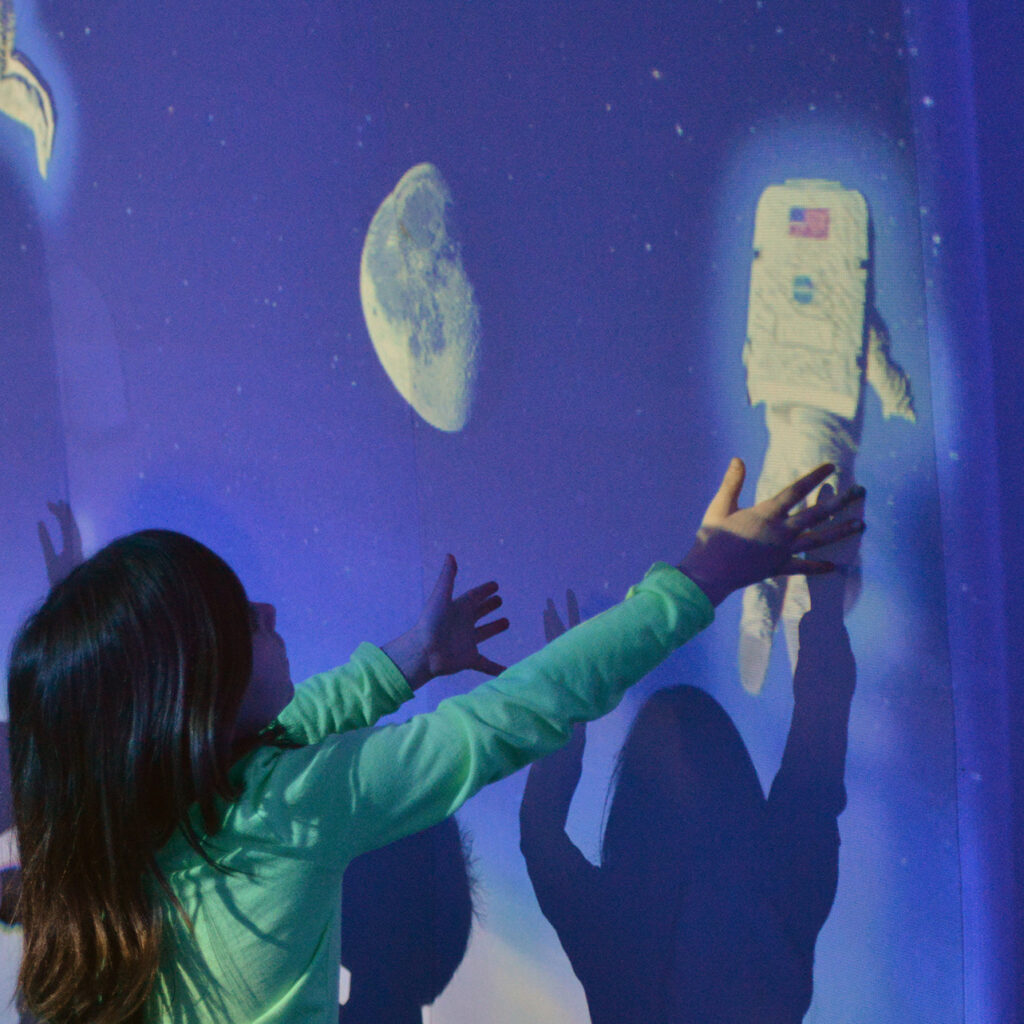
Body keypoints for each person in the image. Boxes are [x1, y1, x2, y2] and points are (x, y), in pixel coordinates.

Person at [6, 458, 862, 1024]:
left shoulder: (122, 820)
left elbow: (288, 729)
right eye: (240, 623)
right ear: (187, 707)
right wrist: (702, 575)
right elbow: (509, 717)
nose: (266, 615)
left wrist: (414, 658)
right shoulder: (290, 811)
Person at [519, 484, 860, 1023]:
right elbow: (821, 722)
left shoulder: (610, 917)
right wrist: (823, 598)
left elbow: (539, 831)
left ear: (632, 784)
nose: (676, 772)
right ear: (726, 768)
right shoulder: (785, 873)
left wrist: (569, 692)